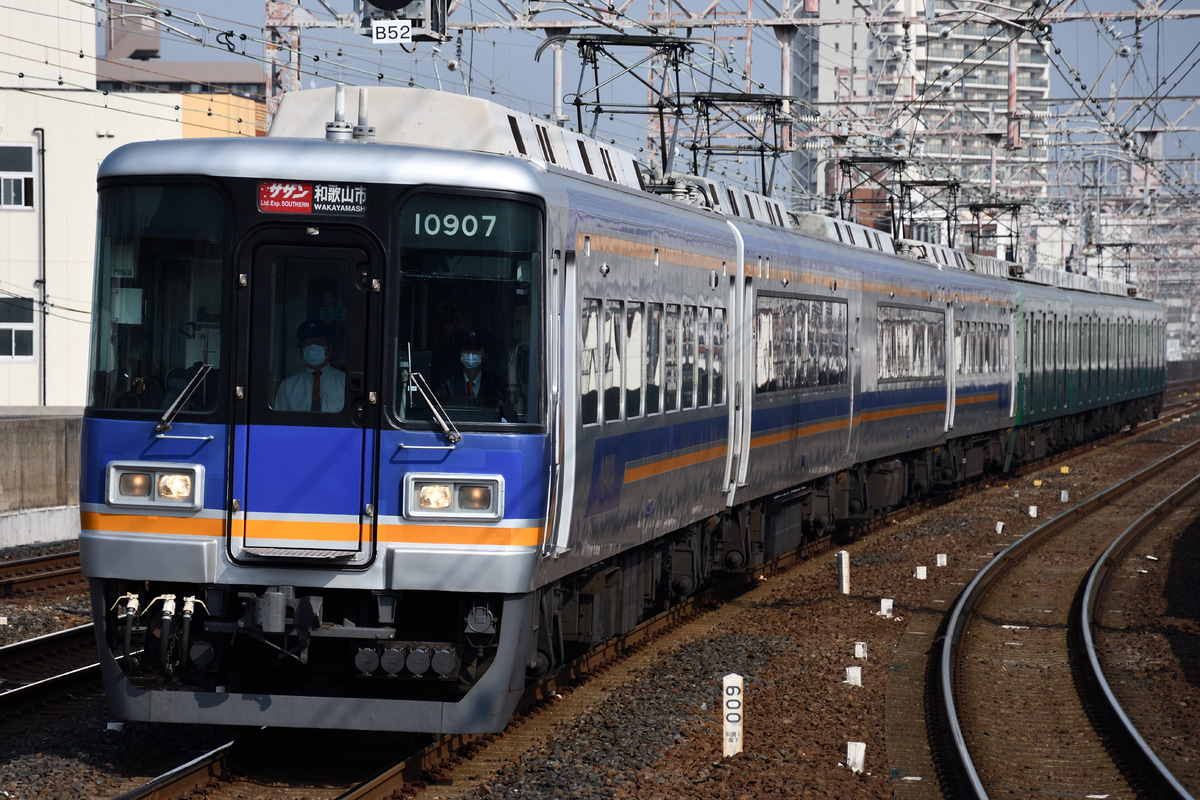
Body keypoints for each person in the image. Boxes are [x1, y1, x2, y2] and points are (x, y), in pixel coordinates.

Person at [437, 331, 513, 420]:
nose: (471, 353)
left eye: (476, 349)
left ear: (485, 355)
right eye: (466, 348)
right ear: (460, 352)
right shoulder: (446, 384)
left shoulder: (496, 385)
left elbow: (507, 415)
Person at [273, 319, 346, 412]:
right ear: (301, 351)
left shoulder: (344, 382)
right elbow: (280, 421)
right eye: (308, 343)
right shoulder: (288, 386)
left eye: (319, 343)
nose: (313, 347)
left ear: (329, 349)